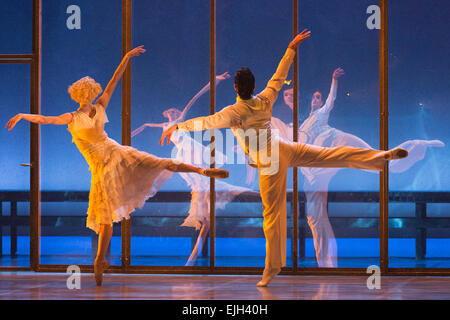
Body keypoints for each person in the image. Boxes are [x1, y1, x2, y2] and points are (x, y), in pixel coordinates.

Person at [160, 29, 408, 287]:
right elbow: (278, 77)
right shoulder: (265, 99)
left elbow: (204, 122)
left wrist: (176, 127)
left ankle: (272, 268)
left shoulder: (233, 112)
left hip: (269, 162)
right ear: (254, 86)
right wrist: (291, 48)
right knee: (329, 155)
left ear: (235, 87)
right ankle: (378, 157)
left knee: (273, 215)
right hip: (285, 147)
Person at [5, 46, 229, 286]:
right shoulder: (98, 107)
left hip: (104, 165)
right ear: (91, 94)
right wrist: (125, 58)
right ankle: (200, 170)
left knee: (105, 217)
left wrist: (22, 115)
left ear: (77, 96)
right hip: (116, 154)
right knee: (157, 163)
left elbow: (47, 119)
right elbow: (113, 81)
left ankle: (100, 260)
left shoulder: (73, 117)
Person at [274, 71, 444, 268]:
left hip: (336, 146)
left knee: (380, 163)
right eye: (286, 94)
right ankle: (328, 266)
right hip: (315, 168)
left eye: (292, 94)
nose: (289, 97)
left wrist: (334, 80)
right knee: (315, 216)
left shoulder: (317, 115)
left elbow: (331, 99)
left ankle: (415, 147)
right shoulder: (288, 126)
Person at [132, 72, 255, 265]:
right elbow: (147, 125)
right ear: (166, 114)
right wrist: (133, 132)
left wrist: (214, 81)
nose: (174, 114)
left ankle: (202, 207)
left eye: (175, 112)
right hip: (182, 152)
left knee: (198, 180)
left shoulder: (180, 120)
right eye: (171, 113)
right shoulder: (164, 124)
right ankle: (196, 208)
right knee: (189, 179)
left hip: (191, 149)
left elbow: (194, 99)